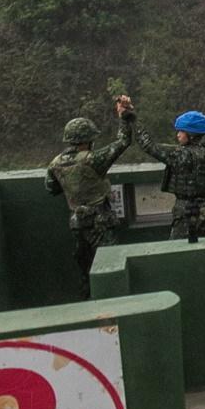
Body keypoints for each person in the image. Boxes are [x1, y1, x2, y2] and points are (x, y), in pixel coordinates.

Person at [45, 99, 133, 297]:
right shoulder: (93, 159)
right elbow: (123, 142)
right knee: (111, 266)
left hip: (77, 223)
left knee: (86, 273)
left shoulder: (55, 164)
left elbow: (51, 188)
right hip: (100, 222)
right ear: (87, 140)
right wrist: (124, 118)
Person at [122, 98, 205, 241]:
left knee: (177, 250)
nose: (178, 134)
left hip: (188, 214)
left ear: (191, 135)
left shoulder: (183, 154)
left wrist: (133, 119)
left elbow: (148, 145)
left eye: (181, 131)